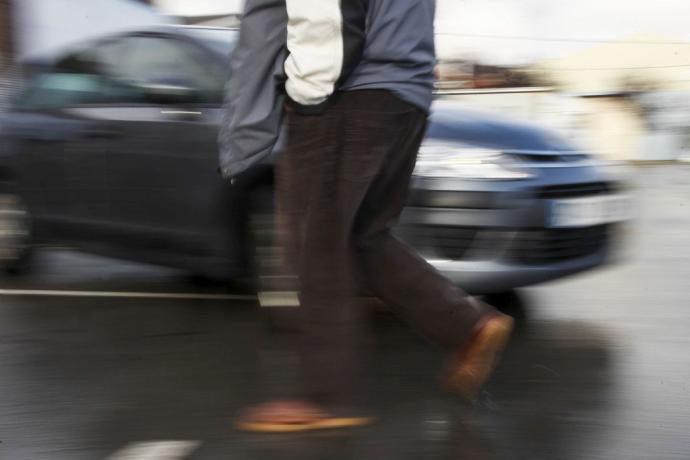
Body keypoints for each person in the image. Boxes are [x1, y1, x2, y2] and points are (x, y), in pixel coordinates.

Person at [221, 0, 514, 433]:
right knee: (363, 237)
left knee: (312, 245)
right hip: (407, 92)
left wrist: (307, 94)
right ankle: (469, 327)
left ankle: (326, 396)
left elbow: (313, 16)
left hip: (345, 94)